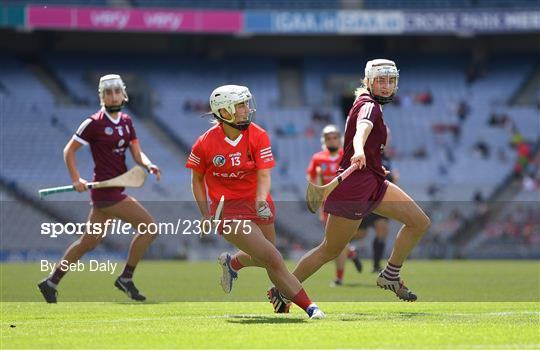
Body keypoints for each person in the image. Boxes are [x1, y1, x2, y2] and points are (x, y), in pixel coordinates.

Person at [270, 59, 430, 311]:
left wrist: (375, 163)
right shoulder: (369, 106)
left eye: (390, 80)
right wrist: (358, 150)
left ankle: (390, 274)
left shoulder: (370, 103)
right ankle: (283, 290)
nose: (386, 86)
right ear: (367, 81)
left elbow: (367, 138)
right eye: (380, 80)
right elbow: (362, 130)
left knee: (419, 222)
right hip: (354, 188)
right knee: (329, 250)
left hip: (374, 181)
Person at [186, 85, 324, 319]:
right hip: (227, 210)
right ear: (225, 111)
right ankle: (311, 308)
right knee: (273, 258)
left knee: (269, 259)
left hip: (258, 204)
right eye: (241, 105)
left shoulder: (258, 134)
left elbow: (263, 175)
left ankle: (233, 264)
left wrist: (260, 200)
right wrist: (205, 214)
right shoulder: (204, 143)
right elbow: (196, 180)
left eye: (246, 104)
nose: (246, 109)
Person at [38, 74, 161, 303]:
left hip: (116, 189)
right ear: (102, 96)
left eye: (116, 91)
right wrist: (76, 179)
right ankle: (126, 277)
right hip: (106, 192)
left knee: (89, 242)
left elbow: (136, 153)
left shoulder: (126, 121)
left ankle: (51, 281)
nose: (113, 96)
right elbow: (69, 151)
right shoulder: (93, 123)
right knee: (150, 228)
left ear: (123, 94)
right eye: (107, 92)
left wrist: (148, 164)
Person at [306, 124, 363, 287]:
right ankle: (351, 252)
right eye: (328, 138)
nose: (331, 140)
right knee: (335, 241)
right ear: (323, 140)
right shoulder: (318, 158)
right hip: (328, 205)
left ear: (340, 139)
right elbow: (313, 181)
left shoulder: (347, 155)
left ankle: (339, 278)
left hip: (346, 203)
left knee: (337, 242)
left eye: (334, 137)